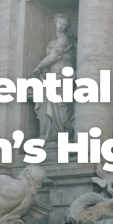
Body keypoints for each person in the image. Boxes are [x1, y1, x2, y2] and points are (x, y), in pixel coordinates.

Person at [32, 13, 76, 142]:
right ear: (55, 23)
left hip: (63, 75)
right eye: (59, 23)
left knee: (61, 103)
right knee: (51, 104)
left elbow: (54, 56)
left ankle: (61, 132)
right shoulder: (54, 40)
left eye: (64, 24)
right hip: (53, 75)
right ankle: (51, 133)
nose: (61, 26)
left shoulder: (64, 39)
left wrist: (38, 67)